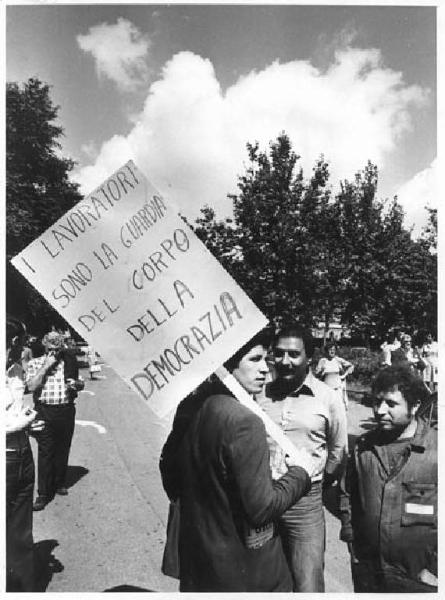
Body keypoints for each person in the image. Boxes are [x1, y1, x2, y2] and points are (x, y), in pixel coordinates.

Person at [159, 330, 317, 592]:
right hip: (244, 570)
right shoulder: (245, 422)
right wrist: (300, 474)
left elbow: (170, 474)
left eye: (265, 359)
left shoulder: (192, 404)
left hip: (199, 560)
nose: (265, 370)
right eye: (254, 360)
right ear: (227, 365)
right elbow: (261, 509)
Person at [257, 323, 347, 592]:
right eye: (279, 353)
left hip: (304, 504)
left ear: (310, 358)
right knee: (258, 582)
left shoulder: (328, 398)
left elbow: (338, 450)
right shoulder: (259, 393)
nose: (285, 361)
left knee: (307, 582)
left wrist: (315, 483)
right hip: (260, 497)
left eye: (294, 354)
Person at [339, 365, 437, 592]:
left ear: (414, 407)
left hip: (421, 581)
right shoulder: (363, 448)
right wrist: (352, 541)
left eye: (391, 404)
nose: (380, 410)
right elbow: (347, 493)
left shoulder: (436, 450)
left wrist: (436, 570)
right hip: (370, 574)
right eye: (377, 402)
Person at [5, 321, 45, 591]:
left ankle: (24, 588)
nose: (20, 349)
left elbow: (16, 409)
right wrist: (23, 423)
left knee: (21, 532)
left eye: (18, 342)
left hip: (22, 453)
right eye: (14, 342)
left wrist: (32, 423)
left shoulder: (15, 370)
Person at [25, 331, 84, 510]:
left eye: (57, 349)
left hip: (65, 410)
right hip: (44, 410)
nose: (54, 353)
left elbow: (80, 382)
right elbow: (31, 386)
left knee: (63, 447)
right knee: (45, 451)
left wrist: (77, 385)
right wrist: (46, 366)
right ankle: (43, 493)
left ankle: (59, 482)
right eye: (51, 349)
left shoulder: (69, 362)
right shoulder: (36, 362)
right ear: (44, 345)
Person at [314, 341, 354, 411]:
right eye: (330, 350)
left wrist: (344, 375)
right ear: (326, 351)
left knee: (338, 409)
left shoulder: (338, 360)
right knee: (326, 409)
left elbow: (351, 366)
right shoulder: (323, 361)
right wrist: (321, 371)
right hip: (326, 390)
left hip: (337, 389)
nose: (332, 352)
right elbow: (317, 375)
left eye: (334, 350)